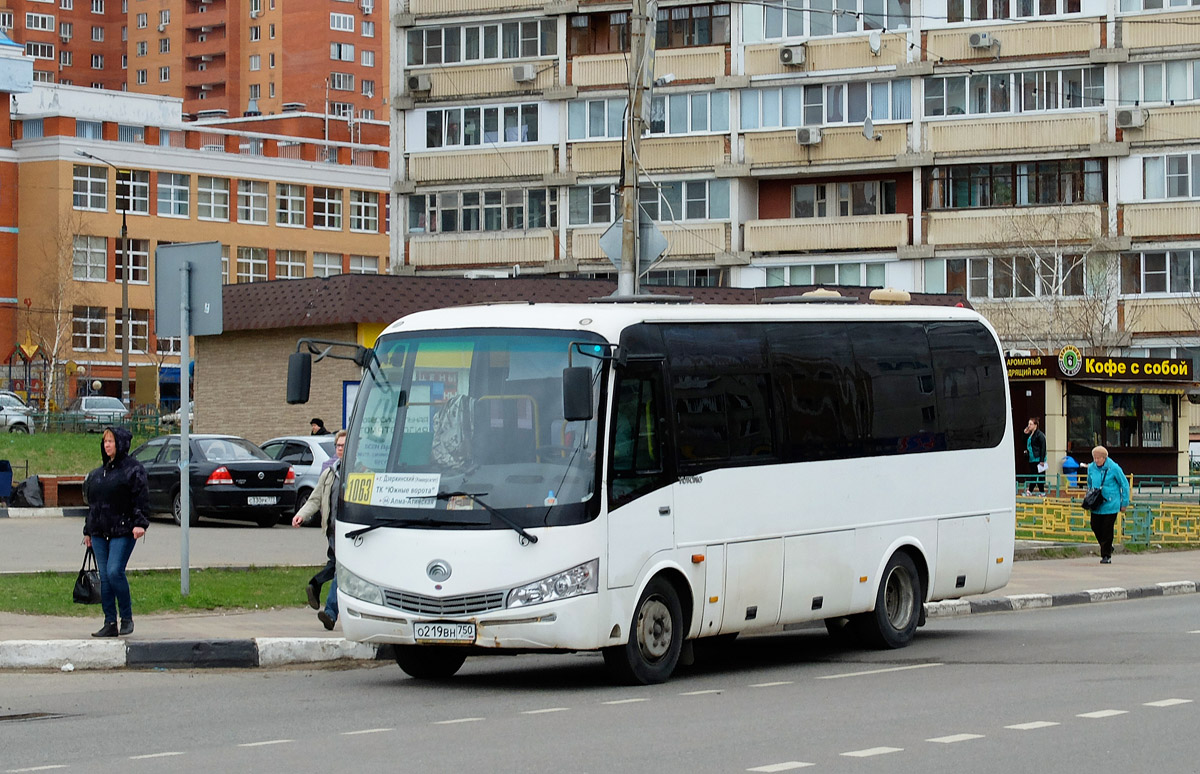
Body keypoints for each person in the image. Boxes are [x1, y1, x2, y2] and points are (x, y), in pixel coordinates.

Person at [83, 426, 150, 637]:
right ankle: (110, 622)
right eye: (105, 442)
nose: (107, 445)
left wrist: (140, 523)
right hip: (99, 532)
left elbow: (141, 498)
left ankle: (127, 618)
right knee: (104, 576)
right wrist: (88, 530)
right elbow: (94, 505)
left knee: (114, 572)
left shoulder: (133, 470)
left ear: (120, 443)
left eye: (111, 441)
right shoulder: (98, 473)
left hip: (123, 530)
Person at [292, 429, 345, 630]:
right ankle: (315, 585)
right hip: (332, 532)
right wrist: (302, 515)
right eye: (338, 446)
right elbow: (315, 498)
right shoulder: (330, 472)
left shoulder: (361, 472)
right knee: (336, 566)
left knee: (340, 570)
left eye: (344, 445)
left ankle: (330, 613)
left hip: (350, 533)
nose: (340, 449)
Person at [1086, 445, 1130, 564]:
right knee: (1095, 526)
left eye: (1098, 458)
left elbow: (1124, 485)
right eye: (1094, 458)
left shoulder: (1114, 468)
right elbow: (1089, 483)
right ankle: (1107, 546)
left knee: (1107, 529)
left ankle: (1106, 555)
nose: (1096, 461)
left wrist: (1124, 502)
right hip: (1097, 503)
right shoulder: (1091, 468)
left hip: (1111, 503)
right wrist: (1089, 497)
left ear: (1104, 458)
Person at [1023, 417, 1047, 495]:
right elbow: (1025, 442)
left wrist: (1042, 460)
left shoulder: (1040, 435)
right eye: (1028, 424)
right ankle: (1032, 491)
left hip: (1038, 458)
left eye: (1030, 424)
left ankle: (1039, 491)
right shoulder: (1030, 435)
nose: (1029, 426)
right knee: (1033, 475)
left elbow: (1043, 447)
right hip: (1032, 458)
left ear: (1035, 425)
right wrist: (1025, 433)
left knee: (1039, 475)